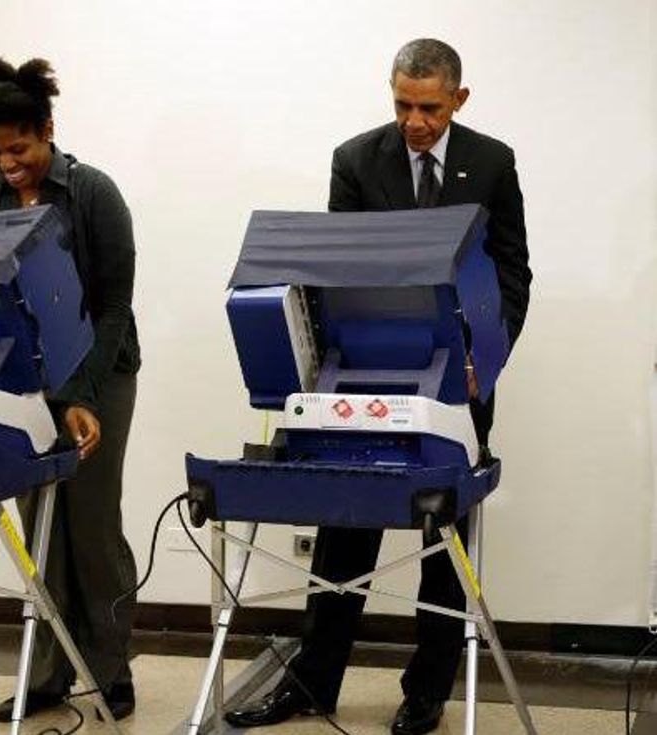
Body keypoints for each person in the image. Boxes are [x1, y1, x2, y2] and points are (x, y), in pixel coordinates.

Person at [225, 38, 531, 735]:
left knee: (445, 536)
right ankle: (313, 680)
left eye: (428, 107)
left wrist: (490, 354)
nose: (414, 121)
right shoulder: (357, 160)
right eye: (402, 104)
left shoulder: (492, 163)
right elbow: (340, 272)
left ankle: (426, 690)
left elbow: (513, 272)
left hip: (461, 374)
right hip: (369, 367)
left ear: (459, 98)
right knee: (344, 524)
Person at [0, 57, 141, 723]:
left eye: (19, 148)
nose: (8, 164)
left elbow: (113, 306)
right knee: (39, 529)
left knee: (91, 526)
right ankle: (46, 675)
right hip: (24, 380)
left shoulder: (94, 194)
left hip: (102, 371)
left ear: (48, 132)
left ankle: (110, 671)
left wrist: (82, 396)